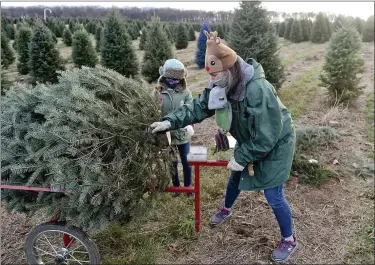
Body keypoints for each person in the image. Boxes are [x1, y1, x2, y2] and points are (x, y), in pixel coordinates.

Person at [150, 31, 298, 262]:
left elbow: (268, 135)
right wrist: (170, 121)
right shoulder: (221, 84)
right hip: (251, 139)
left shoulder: (258, 89)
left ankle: (289, 239)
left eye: (217, 74)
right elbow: (197, 107)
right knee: (236, 176)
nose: (213, 80)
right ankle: (227, 209)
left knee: (273, 193)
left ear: (230, 69)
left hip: (276, 141)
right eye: (211, 75)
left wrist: (243, 155)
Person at [152, 59, 195, 197]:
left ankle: (188, 187)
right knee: (172, 163)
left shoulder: (186, 93)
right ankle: (176, 188)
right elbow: (152, 110)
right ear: (164, 76)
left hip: (182, 133)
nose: (173, 82)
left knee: (186, 161)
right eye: (170, 79)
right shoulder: (158, 93)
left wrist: (190, 124)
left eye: (176, 79)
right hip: (166, 135)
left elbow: (190, 111)